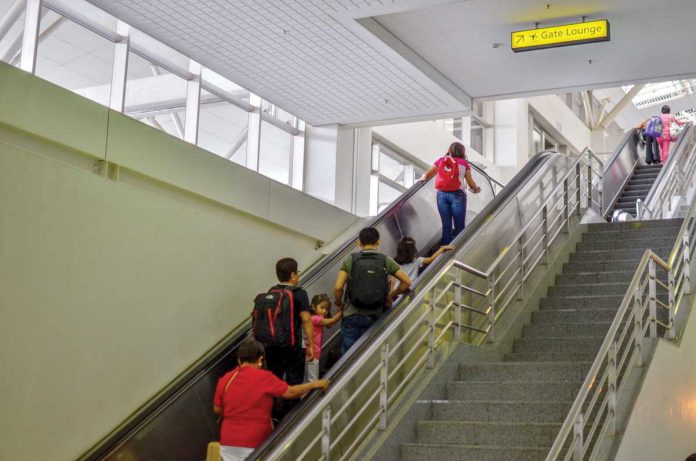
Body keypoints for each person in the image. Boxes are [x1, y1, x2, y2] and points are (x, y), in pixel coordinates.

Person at [213, 338, 329, 461]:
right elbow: (290, 392)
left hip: (228, 444)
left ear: (239, 360)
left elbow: (217, 409)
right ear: (260, 360)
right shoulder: (264, 377)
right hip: (255, 443)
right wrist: (313, 385)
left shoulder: (225, 379)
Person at [252, 258, 313, 418]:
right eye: (297, 272)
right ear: (293, 275)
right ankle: (291, 418)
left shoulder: (271, 291)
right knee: (293, 381)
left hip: (271, 345)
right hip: (292, 346)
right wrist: (311, 345)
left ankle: (273, 416)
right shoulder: (299, 293)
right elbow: (306, 319)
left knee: (273, 380)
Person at [334, 227, 411, 354]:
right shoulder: (385, 260)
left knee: (347, 357)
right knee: (369, 353)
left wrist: (338, 303)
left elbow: (338, 287)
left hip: (351, 314)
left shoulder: (351, 259)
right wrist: (392, 295)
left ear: (359, 243)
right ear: (378, 242)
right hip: (374, 315)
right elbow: (407, 282)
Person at [420, 142, 482, 245]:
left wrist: (422, 179)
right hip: (458, 194)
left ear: (450, 150)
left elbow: (426, 175)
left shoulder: (441, 161)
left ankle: (444, 253)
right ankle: (458, 250)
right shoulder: (464, 163)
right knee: (459, 226)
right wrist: (475, 188)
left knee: (446, 225)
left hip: (442, 195)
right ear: (463, 152)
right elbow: (470, 183)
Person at [305, 293, 342, 381]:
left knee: (311, 376)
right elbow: (332, 321)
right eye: (322, 308)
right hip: (312, 353)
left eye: (327, 309)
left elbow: (329, 324)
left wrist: (338, 311)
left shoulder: (317, 317)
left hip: (314, 352)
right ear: (313, 307)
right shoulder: (314, 319)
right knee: (313, 379)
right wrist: (343, 309)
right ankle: (312, 392)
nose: (325, 311)